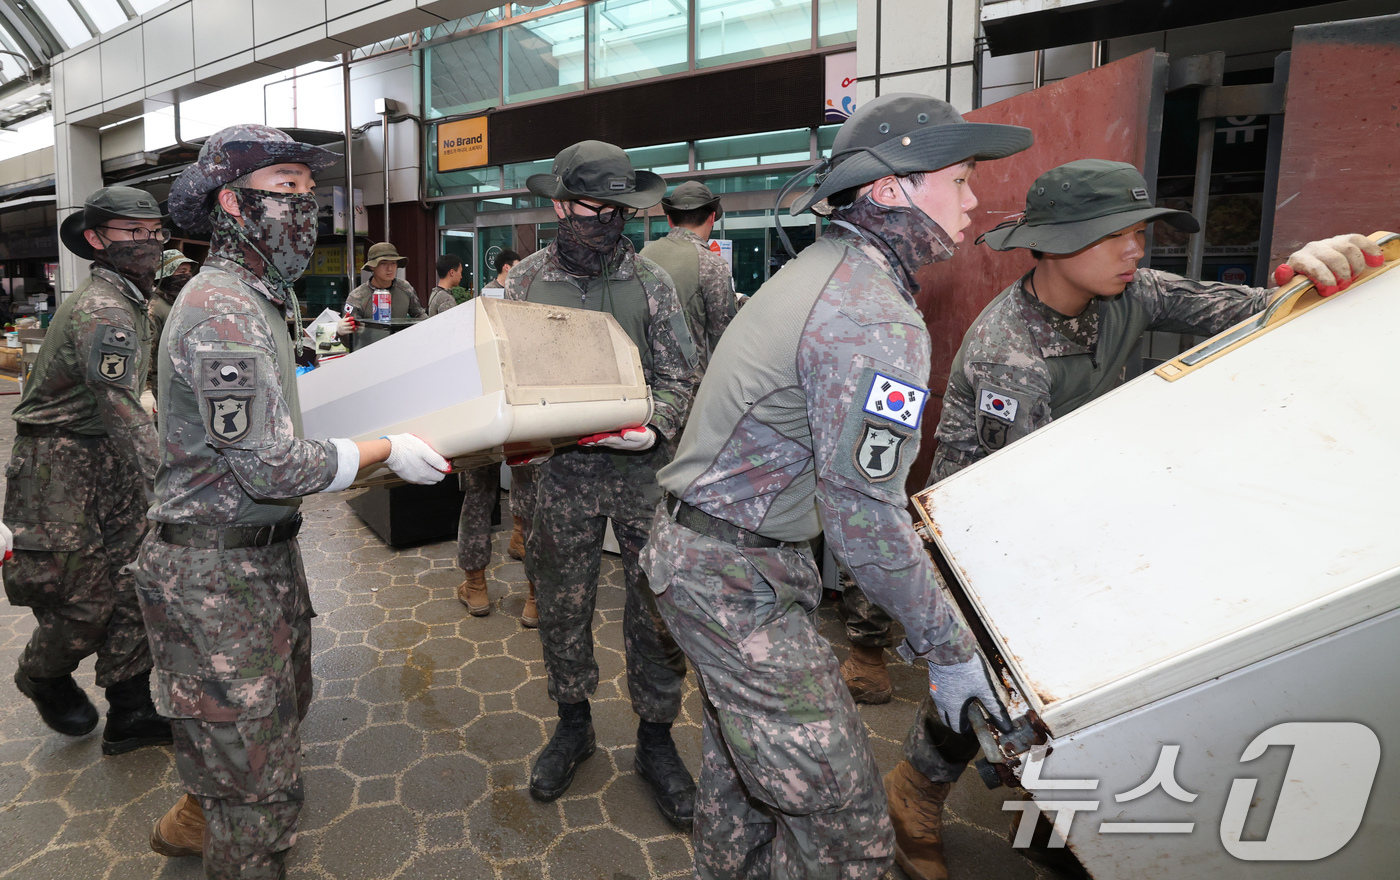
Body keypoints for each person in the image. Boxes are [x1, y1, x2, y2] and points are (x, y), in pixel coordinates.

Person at [880, 159, 1382, 880]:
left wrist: (1315, 272)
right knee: (988, 686)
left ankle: (1047, 797)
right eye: (1113, 234)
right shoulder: (1009, 354)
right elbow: (1012, 509)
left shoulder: (1132, 291)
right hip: (986, 542)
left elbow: (1254, 311)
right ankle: (916, 790)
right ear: (1054, 244)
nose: (1134, 249)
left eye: (1139, 232)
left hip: (1076, 502)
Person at [639, 93, 1034, 879]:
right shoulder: (869, 315)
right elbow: (865, 518)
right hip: (733, 579)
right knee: (849, 828)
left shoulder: (827, 270)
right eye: (959, 180)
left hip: (717, 558)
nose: (973, 201)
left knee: (741, 781)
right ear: (890, 190)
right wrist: (948, 651)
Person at [141, 123, 451, 879]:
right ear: (232, 203)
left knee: (275, 716)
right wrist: (383, 450)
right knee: (260, 799)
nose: (306, 206)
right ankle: (229, 829)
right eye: (287, 189)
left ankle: (201, 807)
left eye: (311, 192)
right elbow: (268, 466)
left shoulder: (257, 299)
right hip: (215, 580)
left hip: (259, 561)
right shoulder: (222, 312)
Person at [507, 140, 699, 830]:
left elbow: (681, 374)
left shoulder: (652, 282)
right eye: (594, 210)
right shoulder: (524, 284)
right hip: (560, 476)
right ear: (560, 207)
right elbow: (501, 377)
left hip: (642, 475)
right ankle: (573, 722)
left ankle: (656, 738)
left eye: (620, 211)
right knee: (562, 604)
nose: (609, 223)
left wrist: (657, 424)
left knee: (656, 609)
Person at [5, 186, 173, 756]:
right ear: (97, 239)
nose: (147, 242)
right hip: (58, 463)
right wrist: (166, 485)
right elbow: (119, 405)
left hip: (109, 456)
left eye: (154, 231)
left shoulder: (134, 299)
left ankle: (131, 710)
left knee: (133, 583)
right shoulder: (104, 308)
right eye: (132, 231)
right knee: (80, 600)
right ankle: (43, 674)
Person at [639, 182, 736, 376]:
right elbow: (724, 337)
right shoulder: (712, 264)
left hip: (643, 380)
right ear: (712, 217)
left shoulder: (643, 256)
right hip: (686, 386)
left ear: (669, 219)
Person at [336, 241, 426, 342]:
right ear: (372, 266)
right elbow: (350, 339)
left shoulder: (405, 288)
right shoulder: (358, 296)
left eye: (393, 263)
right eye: (383, 263)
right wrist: (341, 333)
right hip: (370, 348)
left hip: (401, 346)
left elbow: (420, 315)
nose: (390, 268)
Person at [148, 249, 198, 399]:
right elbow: (148, 351)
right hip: (163, 383)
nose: (187, 276)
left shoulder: (184, 302)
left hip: (186, 380)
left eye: (189, 271)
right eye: (182, 271)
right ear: (166, 275)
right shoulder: (155, 307)